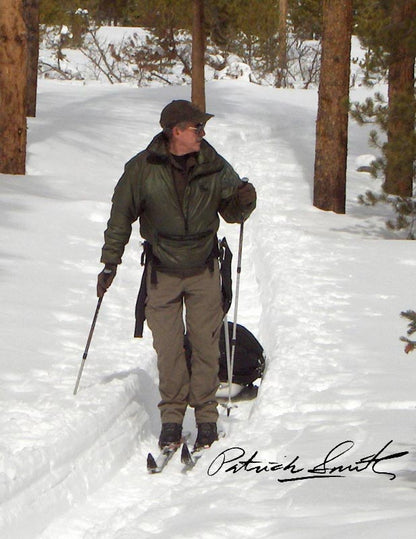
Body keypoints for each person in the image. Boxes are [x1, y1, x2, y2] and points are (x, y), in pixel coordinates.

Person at [97, 99, 256, 451]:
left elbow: (233, 212)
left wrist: (245, 200)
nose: (203, 133)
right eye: (196, 128)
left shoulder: (214, 165)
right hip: (162, 273)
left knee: (204, 346)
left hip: (203, 269)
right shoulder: (142, 168)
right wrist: (110, 262)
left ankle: (206, 420)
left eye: (202, 128)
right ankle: (171, 419)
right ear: (175, 132)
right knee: (168, 349)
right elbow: (120, 217)